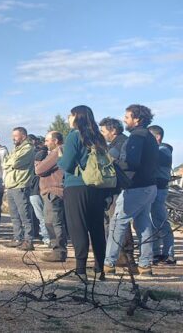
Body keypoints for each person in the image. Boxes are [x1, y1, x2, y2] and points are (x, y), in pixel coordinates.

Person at [105, 104, 159, 276]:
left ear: (137, 119)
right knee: (143, 224)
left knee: (117, 222)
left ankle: (108, 263)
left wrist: (112, 162)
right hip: (149, 186)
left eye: (127, 116)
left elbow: (132, 162)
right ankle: (145, 265)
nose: (124, 119)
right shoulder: (148, 136)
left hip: (136, 187)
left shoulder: (136, 136)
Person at [58, 105, 108, 279]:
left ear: (76, 117)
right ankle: (100, 269)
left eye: (70, 115)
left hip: (76, 186)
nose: (68, 118)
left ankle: (80, 270)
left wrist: (59, 157)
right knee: (97, 228)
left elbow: (67, 164)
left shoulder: (74, 135)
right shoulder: (99, 137)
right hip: (97, 187)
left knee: (77, 227)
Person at [99, 117, 135, 268]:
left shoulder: (120, 143)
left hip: (119, 189)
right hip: (116, 189)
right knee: (116, 222)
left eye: (103, 131)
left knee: (120, 223)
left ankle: (126, 257)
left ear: (113, 130)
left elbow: (108, 162)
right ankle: (120, 255)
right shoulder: (117, 143)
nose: (102, 134)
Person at [35, 131, 68, 262]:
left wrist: (38, 162)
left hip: (53, 191)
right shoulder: (60, 151)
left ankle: (59, 251)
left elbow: (39, 170)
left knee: (53, 222)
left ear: (55, 141)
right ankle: (57, 249)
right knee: (53, 221)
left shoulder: (57, 152)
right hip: (55, 190)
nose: (45, 143)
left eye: (47, 141)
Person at [3, 127, 36, 251]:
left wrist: (10, 162)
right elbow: (5, 162)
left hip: (20, 185)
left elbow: (15, 163)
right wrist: (10, 162)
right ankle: (17, 238)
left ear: (23, 136)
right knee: (14, 215)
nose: (13, 138)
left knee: (24, 214)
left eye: (15, 136)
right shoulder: (16, 149)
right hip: (11, 185)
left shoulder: (28, 148)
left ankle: (29, 240)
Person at [148, 125, 176, 265]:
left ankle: (168, 254)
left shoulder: (164, 151)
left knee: (161, 221)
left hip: (159, 190)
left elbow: (152, 158)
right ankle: (156, 253)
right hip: (155, 189)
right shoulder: (162, 150)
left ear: (157, 137)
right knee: (153, 222)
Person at [28, 135, 50, 246]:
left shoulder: (40, 154)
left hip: (37, 190)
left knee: (42, 216)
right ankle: (45, 236)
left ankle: (47, 237)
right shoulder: (38, 154)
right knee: (41, 216)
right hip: (35, 190)